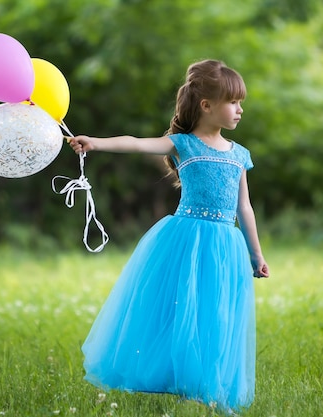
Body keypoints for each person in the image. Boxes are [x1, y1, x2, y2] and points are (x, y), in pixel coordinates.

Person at [67, 59, 269, 413]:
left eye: (241, 103)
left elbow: (245, 208)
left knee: (217, 314)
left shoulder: (240, 154)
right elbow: (136, 143)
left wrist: (256, 255)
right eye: (233, 102)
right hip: (186, 241)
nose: (239, 110)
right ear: (207, 106)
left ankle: (207, 385)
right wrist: (95, 143)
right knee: (182, 308)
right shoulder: (182, 144)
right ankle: (183, 381)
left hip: (225, 245)